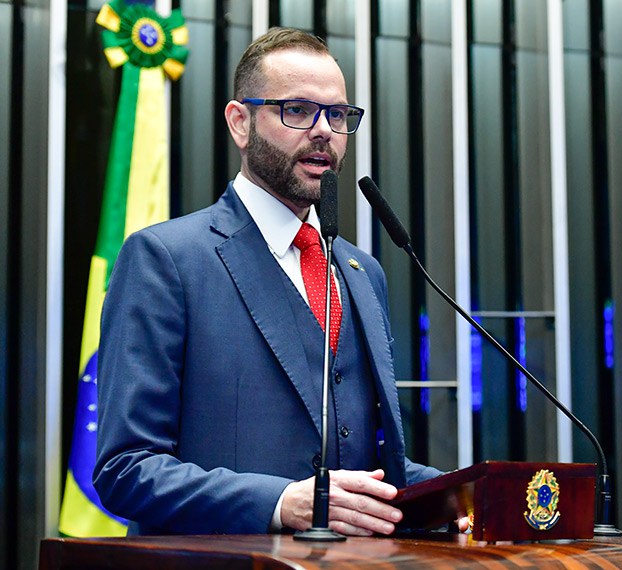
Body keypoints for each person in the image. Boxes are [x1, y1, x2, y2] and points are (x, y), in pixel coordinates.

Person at [93, 27, 447, 536]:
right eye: (297, 111)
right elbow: (125, 469)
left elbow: (370, 467)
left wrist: (467, 496)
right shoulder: (165, 259)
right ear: (240, 122)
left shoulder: (361, 271)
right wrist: (278, 503)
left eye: (338, 115)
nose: (324, 131)